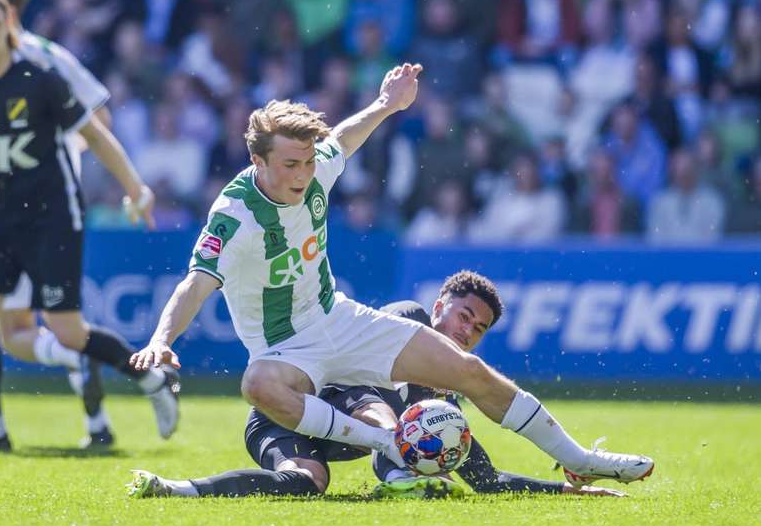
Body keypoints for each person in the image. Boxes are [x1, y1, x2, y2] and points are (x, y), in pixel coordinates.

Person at [132, 63, 654, 488]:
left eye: (307, 163)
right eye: (290, 164)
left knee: (468, 372)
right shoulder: (233, 214)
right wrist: (160, 339)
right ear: (256, 160)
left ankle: (578, 457)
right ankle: (387, 445)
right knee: (257, 384)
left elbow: (342, 139)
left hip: (338, 318)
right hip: (285, 349)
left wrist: (387, 104)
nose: (302, 174)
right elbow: (195, 283)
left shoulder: (316, 169)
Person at [0, 0, 180, 450]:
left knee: (66, 332)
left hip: (53, 215)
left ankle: (148, 379)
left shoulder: (42, 74)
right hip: (3, 214)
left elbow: (98, 130)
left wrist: (135, 187)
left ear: (8, 24)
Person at [128, 271, 625, 499]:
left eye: (478, 330)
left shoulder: (443, 397)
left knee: (308, 485)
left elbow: (485, 479)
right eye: (463, 317)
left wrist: (566, 491)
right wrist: (396, 444)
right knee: (368, 415)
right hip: (284, 412)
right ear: (438, 307)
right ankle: (175, 489)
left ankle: (401, 469)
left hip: (335, 437)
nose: (466, 332)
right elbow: (354, 389)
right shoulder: (400, 324)